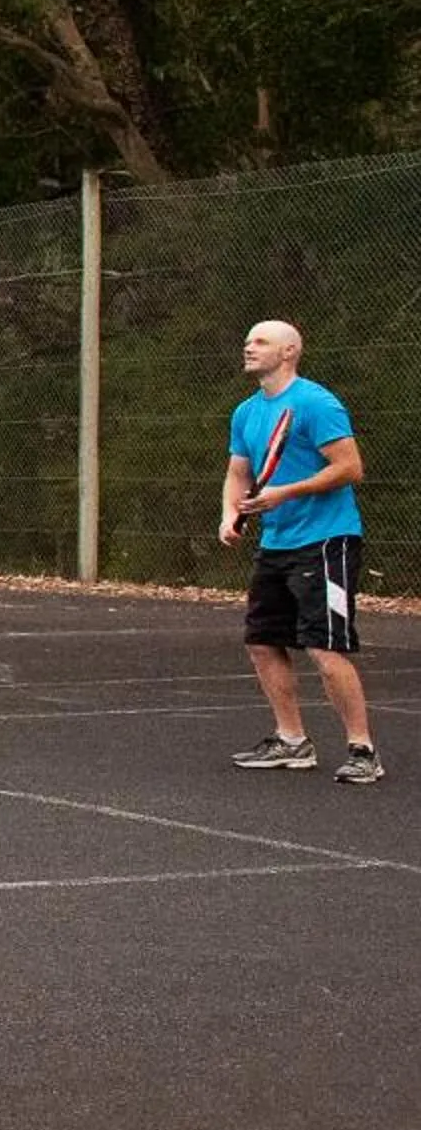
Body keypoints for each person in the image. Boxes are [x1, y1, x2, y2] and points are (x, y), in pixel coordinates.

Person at [220, 320, 379, 784]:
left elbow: (350, 468)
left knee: (325, 647)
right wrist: (229, 514)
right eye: (247, 340)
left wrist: (286, 493)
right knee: (262, 642)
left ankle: (363, 749)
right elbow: (238, 472)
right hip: (276, 543)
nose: (249, 347)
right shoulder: (246, 413)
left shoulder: (316, 402)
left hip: (327, 542)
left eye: (261, 341)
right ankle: (291, 741)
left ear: (288, 352)